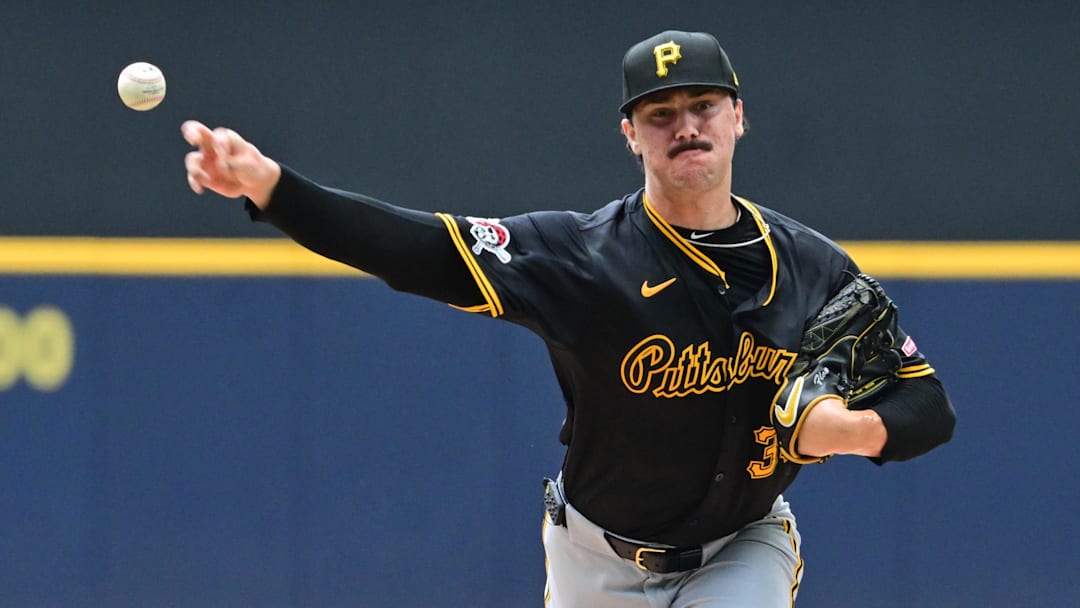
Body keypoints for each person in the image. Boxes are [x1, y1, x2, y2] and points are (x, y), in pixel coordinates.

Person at [182, 30, 956, 608]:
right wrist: (274, 188)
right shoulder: (582, 257)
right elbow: (415, 248)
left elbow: (927, 402)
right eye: (659, 113)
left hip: (741, 544)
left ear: (737, 117)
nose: (685, 124)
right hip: (595, 560)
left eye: (702, 105)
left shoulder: (815, 267)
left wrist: (854, 431)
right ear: (630, 134)